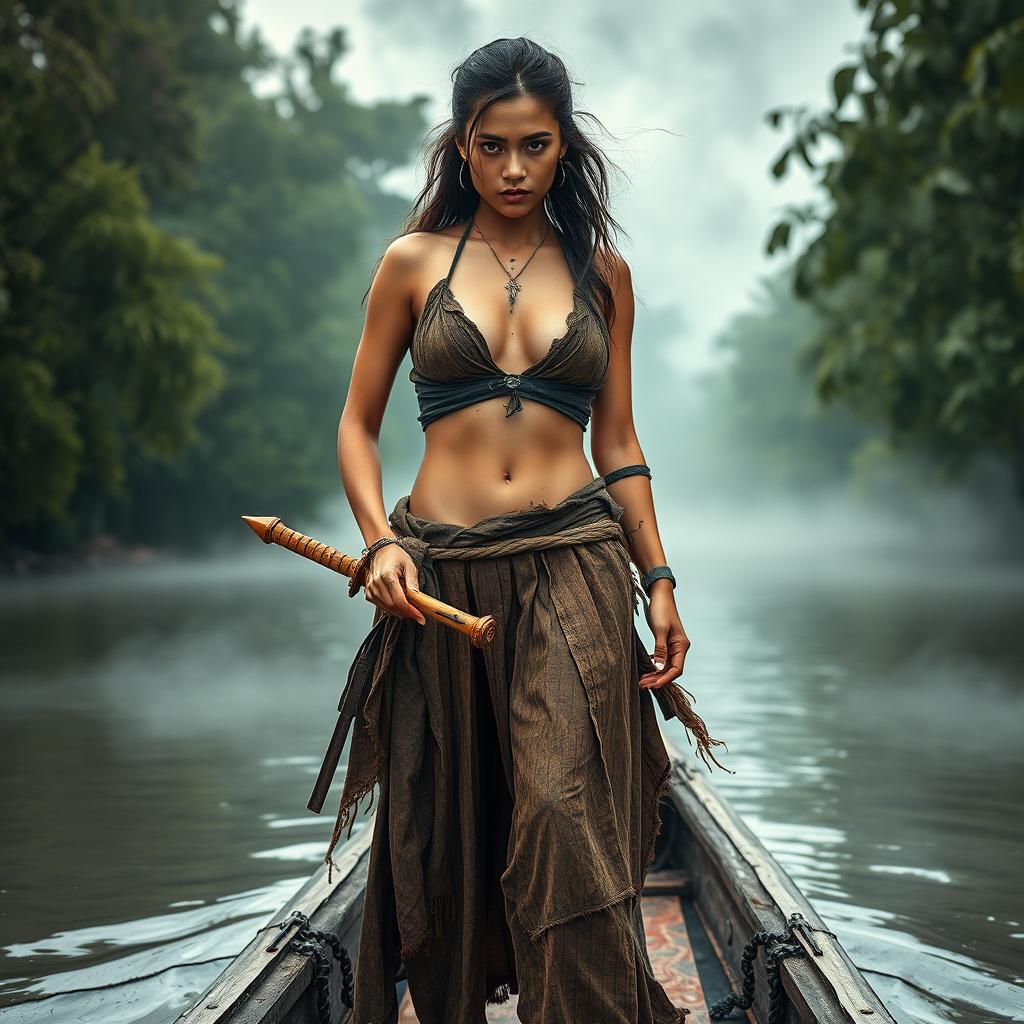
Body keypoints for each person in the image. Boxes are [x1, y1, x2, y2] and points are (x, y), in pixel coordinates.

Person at [310, 36, 729, 1024]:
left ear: (562, 147)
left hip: (573, 567)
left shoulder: (603, 273)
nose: (510, 170)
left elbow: (618, 439)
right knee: (442, 832)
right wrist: (380, 541)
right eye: (490, 147)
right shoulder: (413, 264)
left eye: (533, 147)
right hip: (438, 576)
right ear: (462, 146)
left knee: (558, 809)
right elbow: (355, 426)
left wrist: (659, 578)